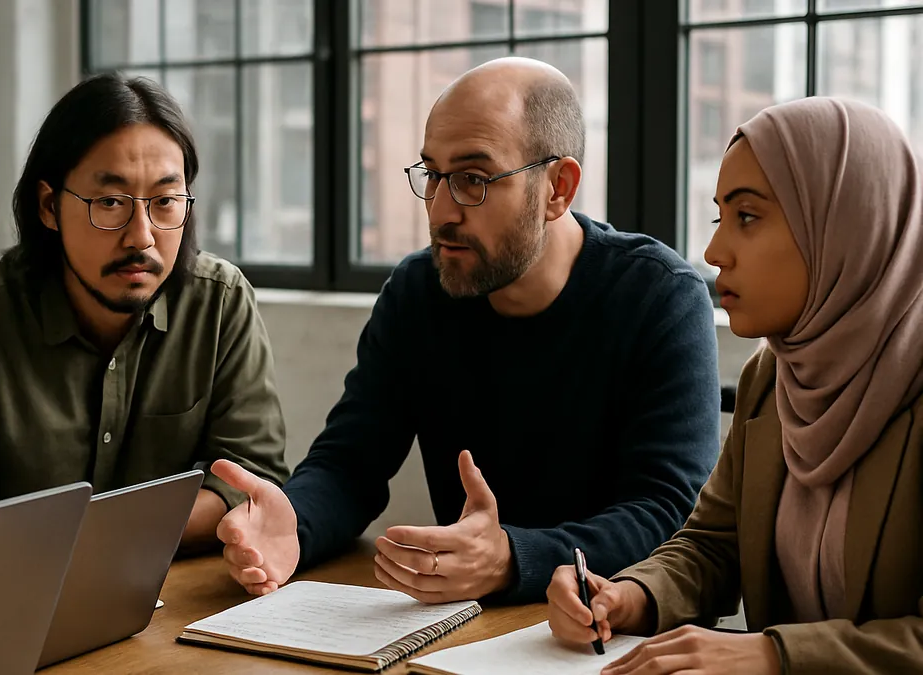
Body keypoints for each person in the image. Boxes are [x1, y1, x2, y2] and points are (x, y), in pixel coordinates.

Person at [210, 56, 720, 605]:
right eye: (433, 174)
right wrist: (294, 520)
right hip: (465, 628)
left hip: (614, 630)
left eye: (474, 179)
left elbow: (667, 514)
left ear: (558, 188)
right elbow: (350, 464)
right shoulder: (418, 291)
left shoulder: (660, 297)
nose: (440, 209)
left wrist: (511, 558)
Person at [546, 96, 923, 674]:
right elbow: (713, 545)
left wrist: (776, 656)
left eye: (747, 217)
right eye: (721, 217)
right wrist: (629, 596)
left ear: (844, 223)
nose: (714, 252)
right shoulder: (773, 375)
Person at [0, 74, 289, 552]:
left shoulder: (220, 301)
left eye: (166, 202)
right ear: (49, 206)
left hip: (182, 595)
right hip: (19, 602)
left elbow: (253, 479)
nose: (142, 237)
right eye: (110, 202)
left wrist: (103, 540)